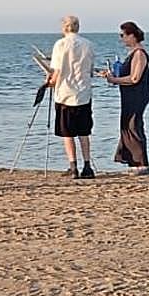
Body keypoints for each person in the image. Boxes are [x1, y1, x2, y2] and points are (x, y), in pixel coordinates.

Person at [46, 14, 97, 179]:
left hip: (65, 94)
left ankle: (73, 166)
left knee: (68, 133)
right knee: (84, 132)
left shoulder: (60, 44)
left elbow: (57, 70)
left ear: (64, 28)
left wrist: (50, 82)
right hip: (83, 93)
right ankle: (87, 166)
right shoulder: (88, 44)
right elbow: (90, 70)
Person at [104, 21, 149, 175]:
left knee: (132, 125)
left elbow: (135, 78)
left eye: (123, 35)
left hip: (137, 95)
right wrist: (111, 75)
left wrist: (115, 80)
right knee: (127, 125)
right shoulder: (133, 54)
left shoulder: (139, 54)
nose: (122, 39)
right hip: (129, 94)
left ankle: (141, 164)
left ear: (132, 35)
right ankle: (133, 161)